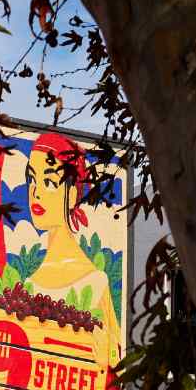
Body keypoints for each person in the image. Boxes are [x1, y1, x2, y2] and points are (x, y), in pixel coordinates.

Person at [24, 132, 122, 371]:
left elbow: (115, 359)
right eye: (31, 179)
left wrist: (103, 360)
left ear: (73, 196)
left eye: (48, 182)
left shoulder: (96, 281)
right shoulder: (28, 285)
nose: (35, 192)